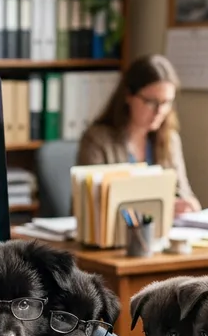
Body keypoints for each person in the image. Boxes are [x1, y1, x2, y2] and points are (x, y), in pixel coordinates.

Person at [77, 54, 201, 215]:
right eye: (151, 102)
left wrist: (187, 204)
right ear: (128, 95)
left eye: (166, 103)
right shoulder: (97, 140)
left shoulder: (169, 139)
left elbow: (183, 193)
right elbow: (91, 204)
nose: (159, 111)